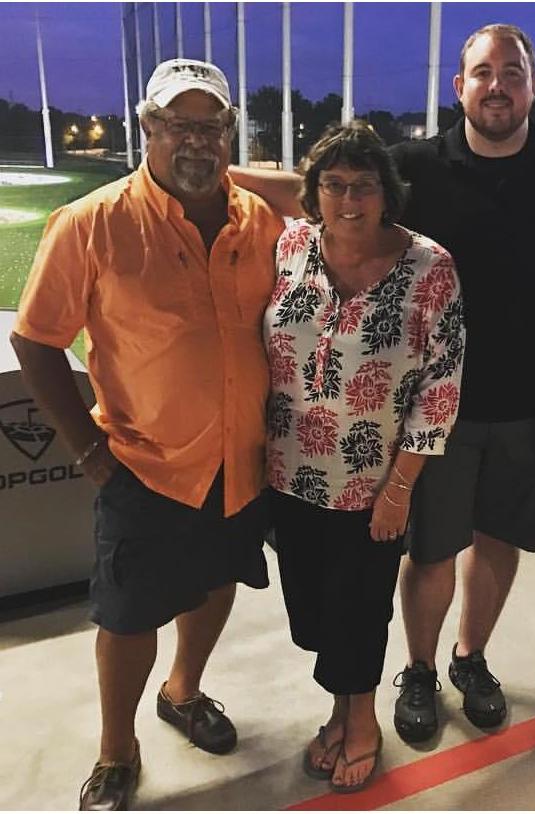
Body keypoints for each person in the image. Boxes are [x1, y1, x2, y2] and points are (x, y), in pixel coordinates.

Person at [230, 23, 535, 745]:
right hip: (432, 414)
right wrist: (221, 175)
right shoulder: (416, 165)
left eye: (513, 71)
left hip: (531, 404)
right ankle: (421, 671)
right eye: (483, 71)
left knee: (497, 543)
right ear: (458, 86)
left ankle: (472, 659)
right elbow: (316, 189)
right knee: (430, 552)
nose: (498, 84)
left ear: (533, 85)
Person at [10, 58, 285, 810]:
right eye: (177, 125)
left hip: (242, 460)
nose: (194, 141)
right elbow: (36, 341)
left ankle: (185, 690)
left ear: (229, 132)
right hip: (141, 465)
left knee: (218, 580)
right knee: (128, 615)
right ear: (147, 128)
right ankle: (116, 749)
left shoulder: (258, 220)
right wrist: (90, 454)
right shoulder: (93, 223)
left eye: (209, 126)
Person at [263, 121, 464, 791]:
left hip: (374, 483)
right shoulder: (290, 247)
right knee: (317, 613)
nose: (349, 200)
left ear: (387, 193)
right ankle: (340, 708)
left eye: (365, 186)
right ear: (314, 191)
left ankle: (362, 722)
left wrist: (401, 488)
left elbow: (441, 385)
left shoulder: (428, 266)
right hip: (288, 474)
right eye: (335, 184)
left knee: (359, 606)